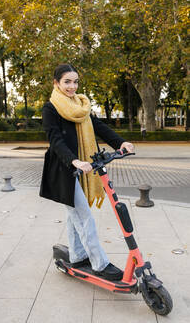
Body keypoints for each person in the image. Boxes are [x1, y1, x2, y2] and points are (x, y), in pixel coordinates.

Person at [39, 64, 134, 281]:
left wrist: (121, 142)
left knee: (74, 215)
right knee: (84, 217)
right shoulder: (51, 108)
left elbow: (98, 126)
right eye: (67, 82)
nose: (72, 86)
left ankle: (77, 255)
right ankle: (100, 264)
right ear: (56, 83)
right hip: (64, 170)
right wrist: (74, 160)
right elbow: (55, 140)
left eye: (75, 82)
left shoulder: (80, 106)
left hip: (83, 167)